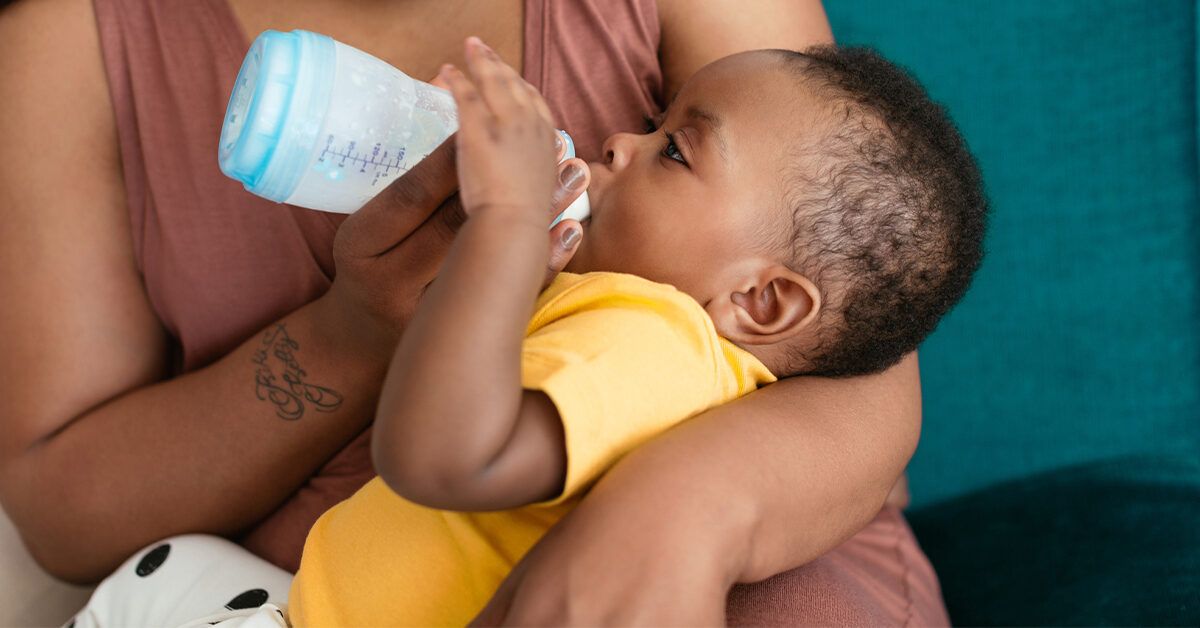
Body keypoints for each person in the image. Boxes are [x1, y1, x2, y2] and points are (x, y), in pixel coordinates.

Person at [0, 0, 948, 625]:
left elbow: (861, 322)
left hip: (727, 568)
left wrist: (684, 509)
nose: (621, 134)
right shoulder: (70, 44)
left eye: (671, 148)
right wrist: (355, 333)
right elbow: (63, 513)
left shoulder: (644, 336)